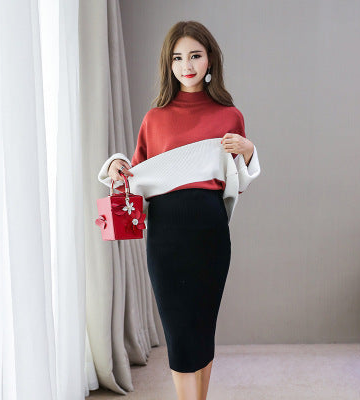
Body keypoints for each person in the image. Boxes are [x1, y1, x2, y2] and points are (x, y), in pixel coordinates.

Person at [98, 20, 260, 400]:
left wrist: (249, 151)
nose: (186, 65)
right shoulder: (154, 118)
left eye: (195, 56)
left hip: (211, 233)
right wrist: (115, 165)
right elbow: (135, 176)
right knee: (180, 336)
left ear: (210, 60)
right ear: (168, 64)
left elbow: (237, 181)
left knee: (201, 331)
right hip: (167, 237)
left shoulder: (230, 115)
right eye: (177, 58)